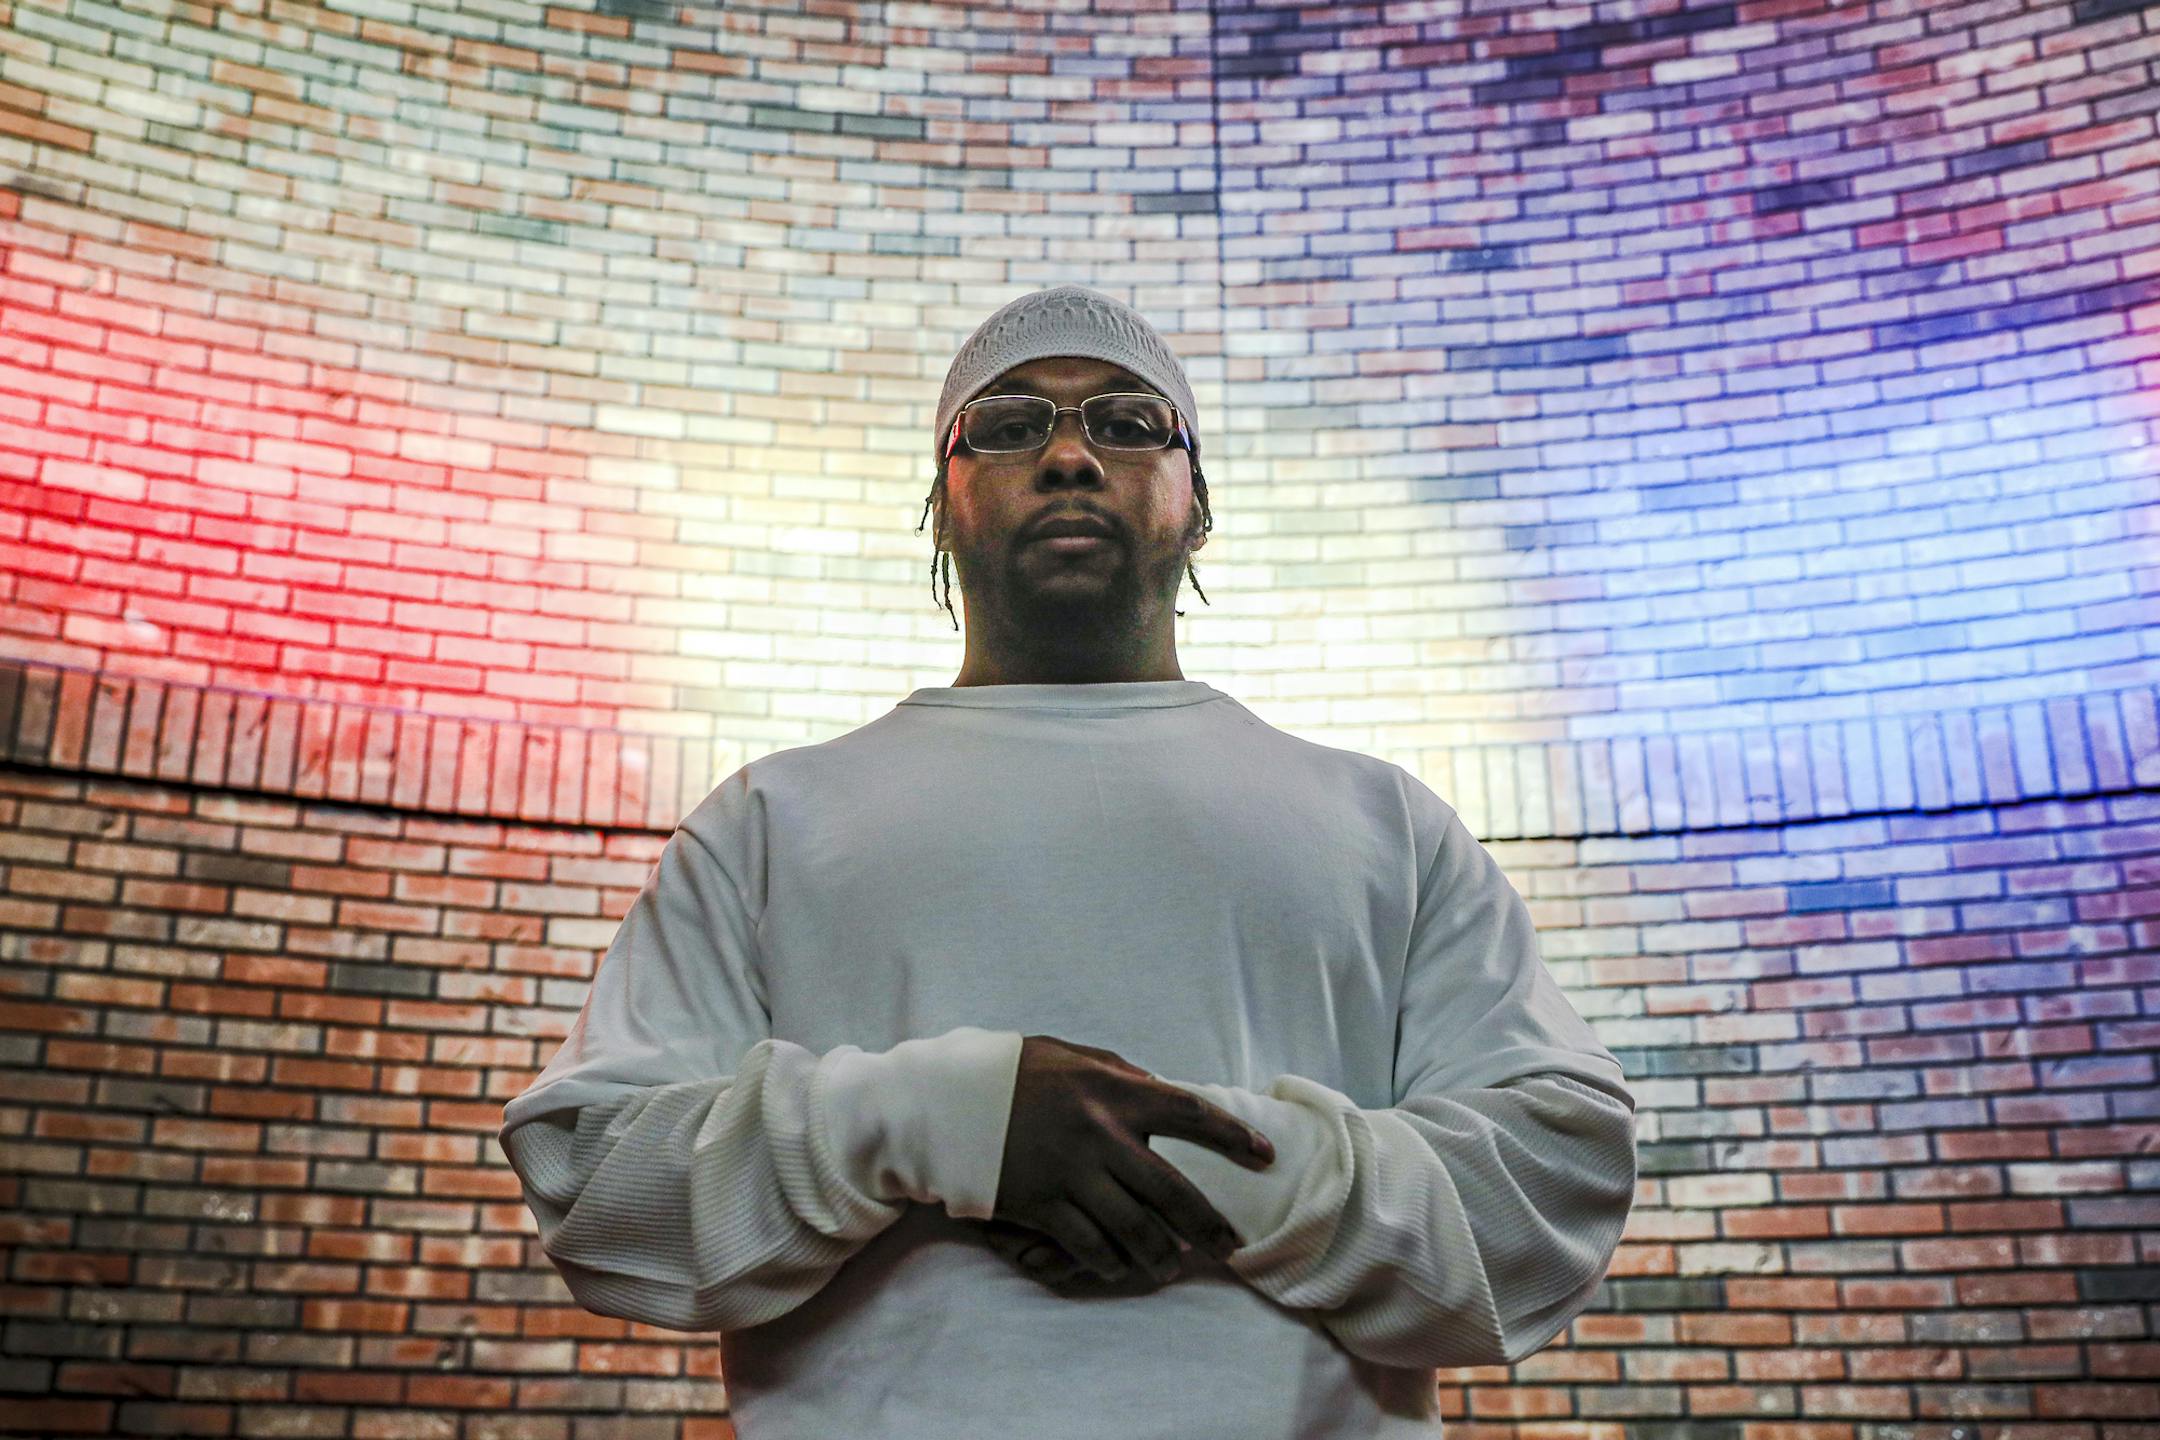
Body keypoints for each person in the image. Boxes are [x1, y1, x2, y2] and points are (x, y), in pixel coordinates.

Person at [498, 284, 1639, 1439]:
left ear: (1198, 501)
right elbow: (600, 1179)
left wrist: (1229, 1168)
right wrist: (941, 1120)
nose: (1070, 455)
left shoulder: (1384, 819)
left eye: (1129, 422)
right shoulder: (770, 820)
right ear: (942, 505)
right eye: (1008, 425)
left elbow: (1552, 1183)